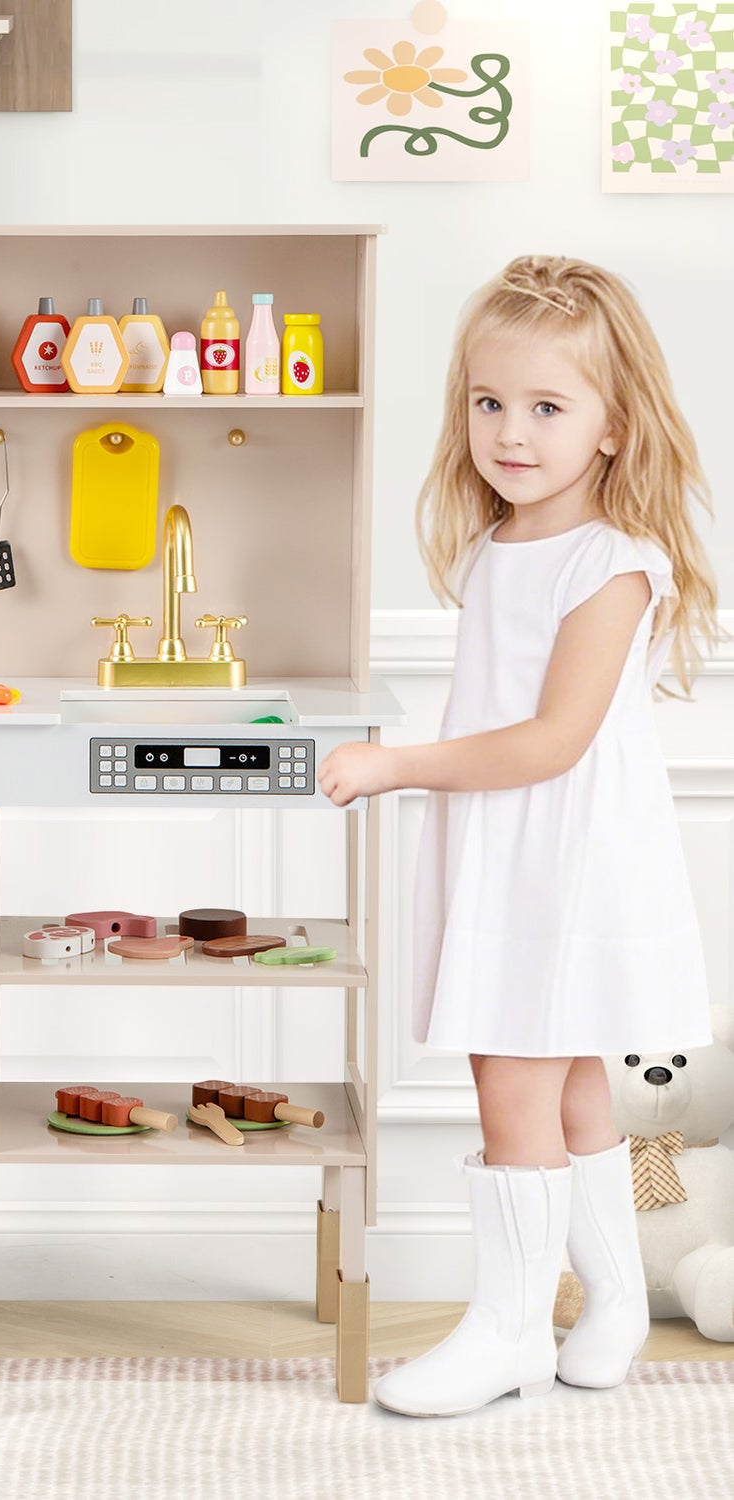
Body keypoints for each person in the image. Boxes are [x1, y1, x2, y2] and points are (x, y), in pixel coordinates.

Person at [318, 255, 718, 1418]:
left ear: (612, 423)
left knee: (515, 1089)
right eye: (490, 403)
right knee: (576, 1084)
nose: (512, 431)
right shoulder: (502, 547)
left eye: (548, 407)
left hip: (563, 857)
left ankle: (508, 1328)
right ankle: (615, 1297)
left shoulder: (612, 563)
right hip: (515, 845)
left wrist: (395, 766)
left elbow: (550, 742)